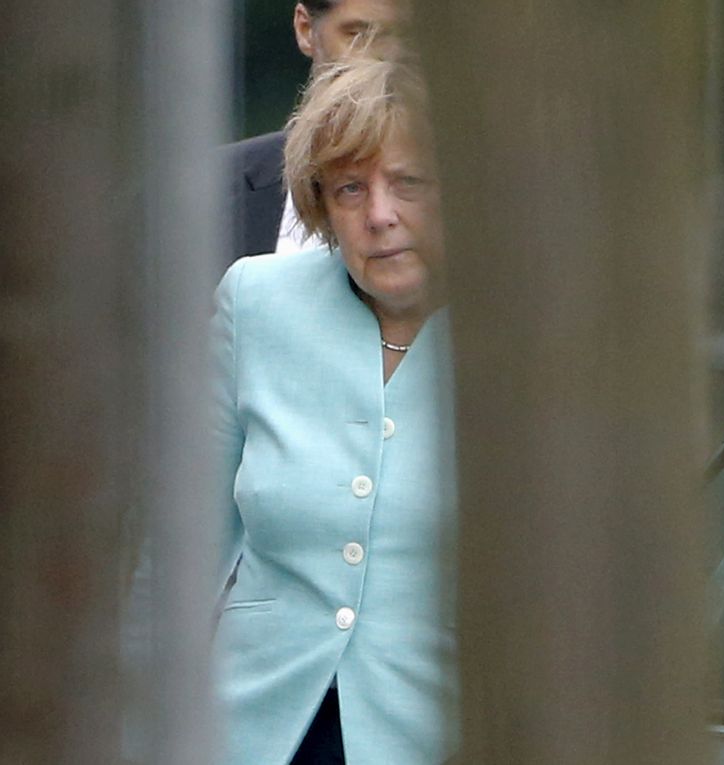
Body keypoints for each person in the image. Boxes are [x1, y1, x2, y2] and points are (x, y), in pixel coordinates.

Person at [211, 54, 455, 764]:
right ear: (320, 205)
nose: (379, 215)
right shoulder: (255, 300)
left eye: (410, 183)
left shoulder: (526, 338)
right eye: (351, 188)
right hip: (250, 732)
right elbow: (175, 552)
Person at [222, 0, 410, 263]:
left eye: (413, 40)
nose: (388, 59)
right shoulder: (204, 193)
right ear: (305, 29)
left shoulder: (470, 195)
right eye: (360, 36)